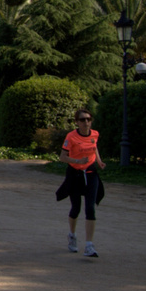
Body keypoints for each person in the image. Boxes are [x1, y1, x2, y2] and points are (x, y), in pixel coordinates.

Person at [57, 108, 105, 257]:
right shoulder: (71, 137)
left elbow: (94, 146)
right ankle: (72, 235)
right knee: (76, 208)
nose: (86, 122)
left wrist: (98, 160)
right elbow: (62, 157)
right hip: (75, 174)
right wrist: (77, 160)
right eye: (83, 120)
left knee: (90, 207)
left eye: (88, 119)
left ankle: (89, 245)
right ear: (77, 122)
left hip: (90, 173)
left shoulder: (95, 134)